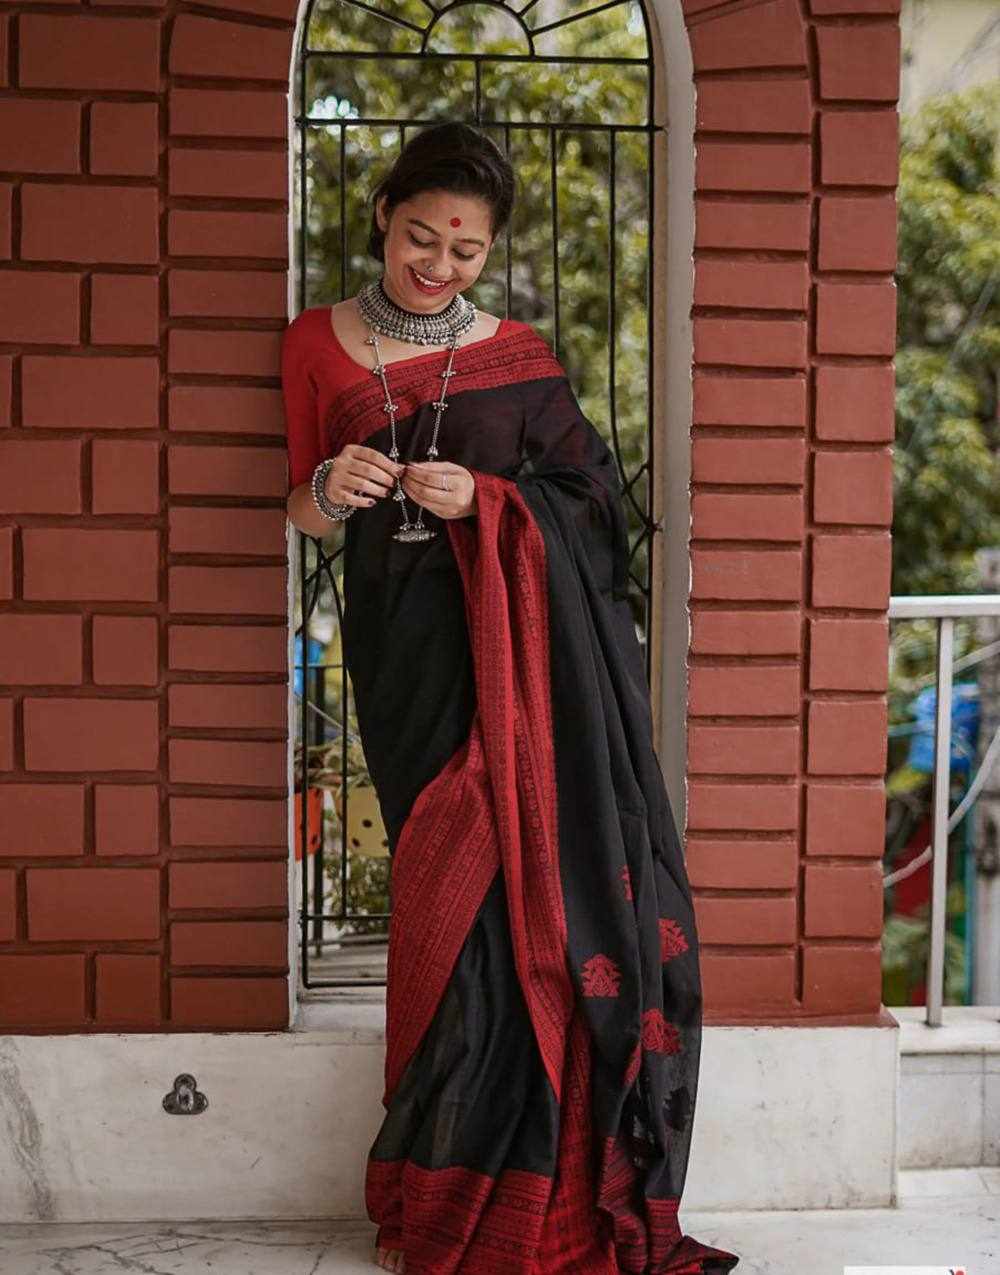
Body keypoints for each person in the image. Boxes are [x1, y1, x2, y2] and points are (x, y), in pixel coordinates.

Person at [281, 121, 740, 1275]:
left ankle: (526, 1194)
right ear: (382, 216)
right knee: (446, 910)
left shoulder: (520, 355)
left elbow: (592, 501)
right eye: (420, 238)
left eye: (466, 250)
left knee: (515, 920)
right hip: (405, 666)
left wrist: (487, 499)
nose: (437, 265)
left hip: (524, 676)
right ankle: (444, 1183)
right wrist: (329, 485)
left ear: (489, 254)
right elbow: (297, 510)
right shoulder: (314, 344)